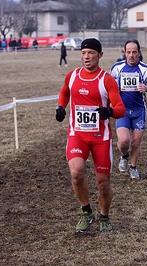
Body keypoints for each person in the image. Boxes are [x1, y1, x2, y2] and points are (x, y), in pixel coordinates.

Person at [55, 38, 126, 233]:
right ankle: (86, 212)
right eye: (84, 53)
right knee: (76, 173)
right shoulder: (72, 75)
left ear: (100, 55)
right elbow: (64, 93)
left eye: (91, 53)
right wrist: (60, 107)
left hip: (100, 139)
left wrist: (109, 112)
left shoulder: (107, 79)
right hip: (77, 135)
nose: (87, 57)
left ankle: (104, 216)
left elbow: (120, 108)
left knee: (103, 184)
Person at [110, 39, 147, 179]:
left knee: (135, 142)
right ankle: (124, 156)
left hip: (139, 111)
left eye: (134, 52)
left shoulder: (145, 69)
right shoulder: (116, 68)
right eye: (128, 52)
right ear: (124, 53)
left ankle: (133, 167)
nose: (131, 55)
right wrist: (113, 89)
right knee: (124, 141)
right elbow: (107, 85)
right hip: (122, 110)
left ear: (139, 53)